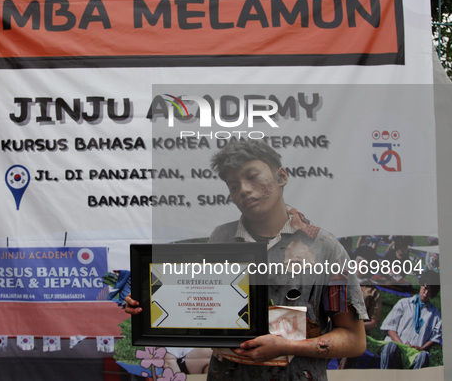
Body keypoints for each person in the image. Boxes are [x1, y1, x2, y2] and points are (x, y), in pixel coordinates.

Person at [126, 139, 367, 380]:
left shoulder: (325, 247)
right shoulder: (221, 238)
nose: (243, 189)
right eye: (233, 185)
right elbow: (201, 304)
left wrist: (286, 346)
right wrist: (149, 306)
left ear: (281, 177)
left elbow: (354, 340)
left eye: (252, 176)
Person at [379, 270, 442, 369]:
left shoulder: (435, 314)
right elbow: (389, 327)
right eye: (425, 288)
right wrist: (401, 345)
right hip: (397, 345)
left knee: (423, 356)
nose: (426, 293)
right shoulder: (404, 303)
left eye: (430, 291)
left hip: (415, 352)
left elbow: (435, 337)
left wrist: (421, 348)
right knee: (391, 346)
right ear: (421, 285)